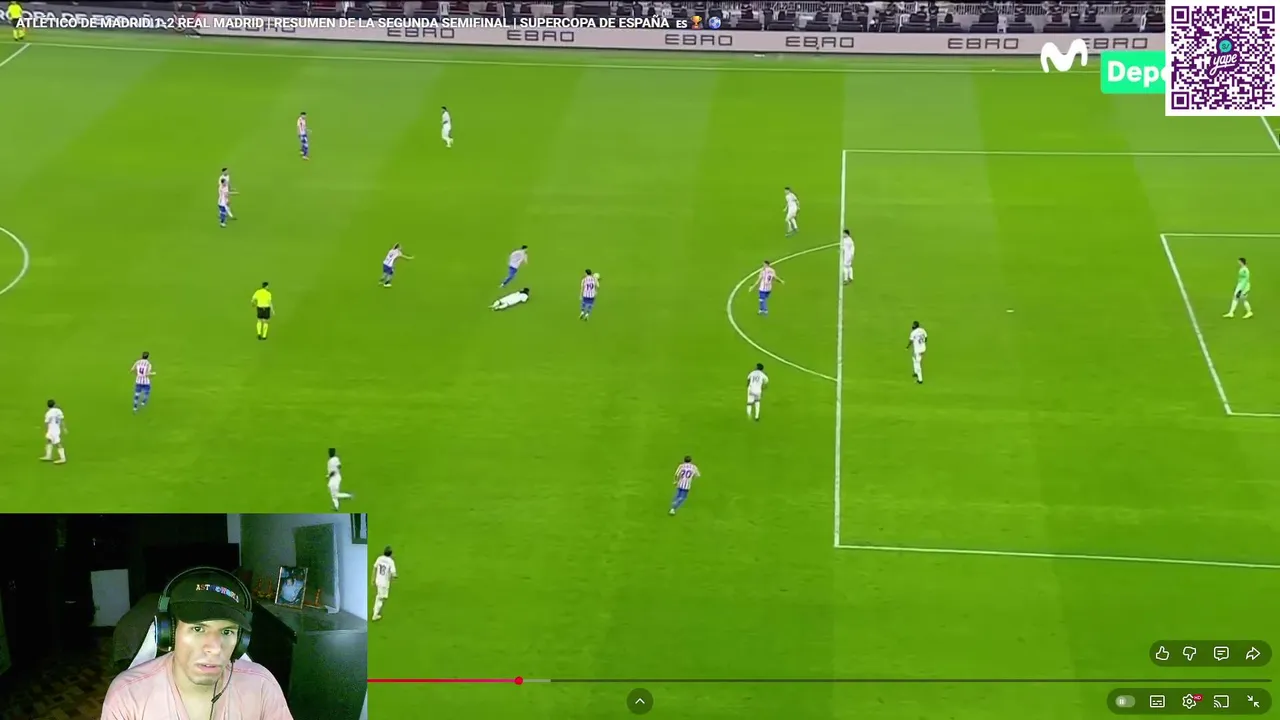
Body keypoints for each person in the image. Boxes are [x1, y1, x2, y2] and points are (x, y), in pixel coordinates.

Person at [102, 567, 293, 719]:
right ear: (169, 633)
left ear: (241, 640)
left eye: (227, 631)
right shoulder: (127, 697)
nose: (215, 648)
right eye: (198, 629)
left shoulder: (262, 686)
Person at [372, 546, 397, 621]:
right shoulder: (391, 561)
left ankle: (375, 608)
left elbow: (374, 568)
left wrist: (372, 579)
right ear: (390, 554)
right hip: (384, 583)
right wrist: (395, 576)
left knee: (380, 596)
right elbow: (393, 573)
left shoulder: (379, 558)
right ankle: (375, 615)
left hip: (378, 581)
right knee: (381, 598)